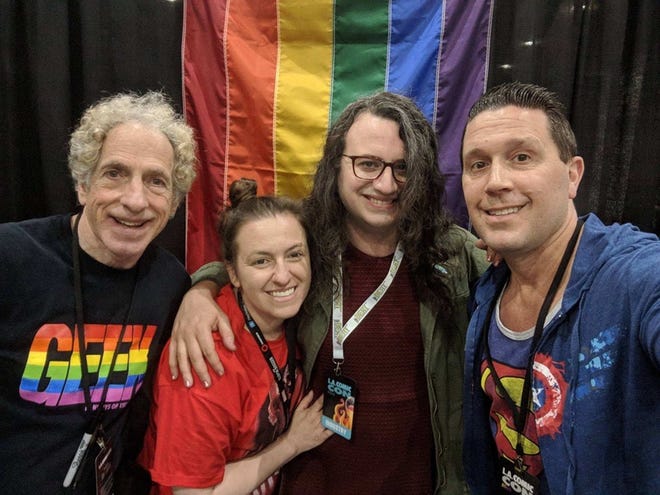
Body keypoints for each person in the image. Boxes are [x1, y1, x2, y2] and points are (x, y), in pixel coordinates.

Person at [170, 92, 489, 493]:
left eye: (403, 168)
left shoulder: (454, 253)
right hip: (314, 481)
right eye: (368, 164)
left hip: (421, 482)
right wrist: (200, 290)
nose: (386, 184)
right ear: (336, 165)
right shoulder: (305, 242)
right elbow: (249, 263)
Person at [460, 82, 660, 494]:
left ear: (572, 175)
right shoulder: (486, 290)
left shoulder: (632, 279)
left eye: (521, 157)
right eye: (478, 164)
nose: (495, 181)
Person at [0, 91, 197, 494]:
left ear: (173, 203)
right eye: (115, 173)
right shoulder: (11, 257)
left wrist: (205, 289)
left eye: (156, 181)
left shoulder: (170, 282)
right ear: (83, 185)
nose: (135, 200)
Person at [139, 178, 332, 494]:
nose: (284, 275)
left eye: (295, 255)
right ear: (232, 272)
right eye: (261, 260)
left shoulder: (297, 317)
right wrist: (291, 444)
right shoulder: (204, 356)